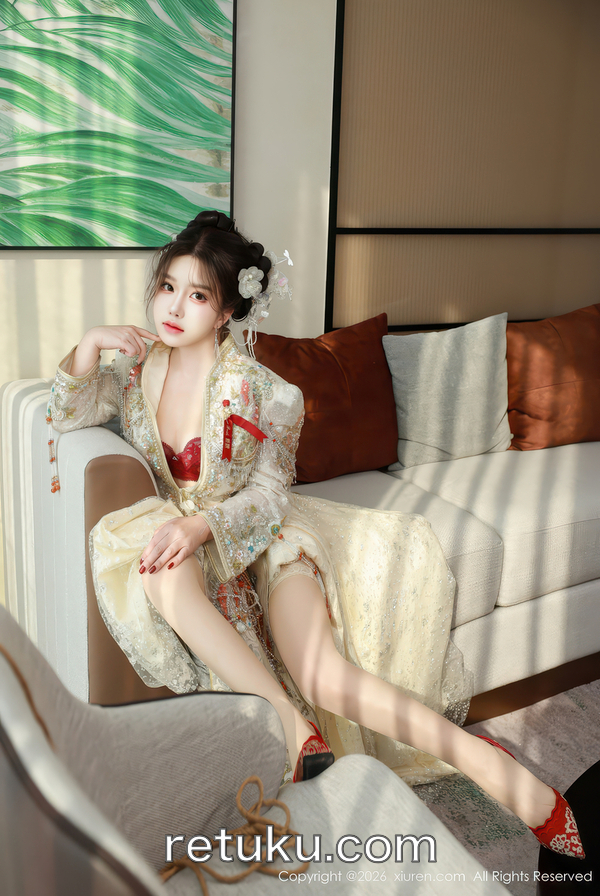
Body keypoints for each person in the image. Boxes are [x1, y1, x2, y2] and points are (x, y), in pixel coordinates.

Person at [49, 210, 584, 858]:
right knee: (158, 568)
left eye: (197, 296)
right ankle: (292, 726)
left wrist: (202, 522)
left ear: (226, 311)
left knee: (323, 674)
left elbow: (271, 496)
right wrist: (92, 341)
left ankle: (502, 774)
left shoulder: (267, 392)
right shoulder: (137, 375)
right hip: (188, 541)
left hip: (264, 535)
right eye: (167, 287)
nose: (174, 307)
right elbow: (66, 411)